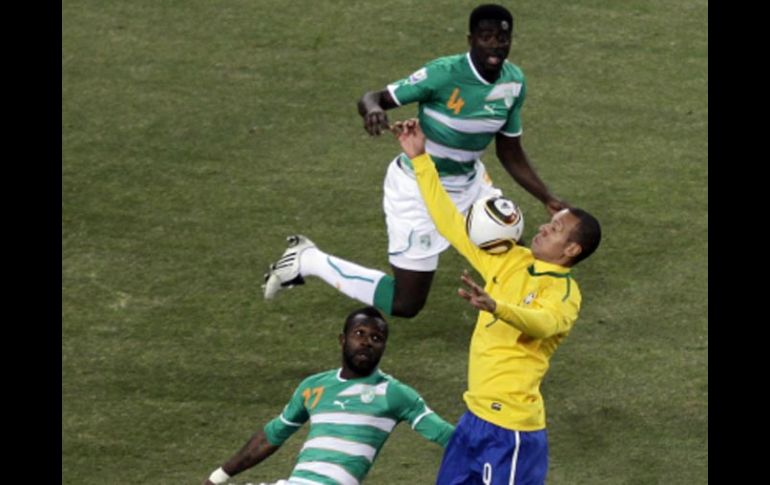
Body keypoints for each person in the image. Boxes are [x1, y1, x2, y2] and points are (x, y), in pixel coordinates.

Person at [263, 4, 566, 319]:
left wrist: (547, 197)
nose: (495, 45)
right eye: (486, 37)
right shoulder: (443, 74)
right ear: (470, 39)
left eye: (502, 38)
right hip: (416, 191)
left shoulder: (514, 82)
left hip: (471, 186)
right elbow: (373, 97)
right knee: (406, 303)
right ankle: (308, 259)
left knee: (505, 242)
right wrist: (373, 111)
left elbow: (509, 150)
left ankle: (519, 316)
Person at [393, 119, 601, 484]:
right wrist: (420, 159)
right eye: (548, 223)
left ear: (571, 249)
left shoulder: (564, 294)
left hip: (513, 431)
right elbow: (451, 226)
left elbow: (543, 323)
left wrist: (497, 308)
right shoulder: (511, 259)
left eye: (555, 230)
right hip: (474, 418)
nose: (542, 228)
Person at [202, 306, 454, 485]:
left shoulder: (393, 394)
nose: (367, 342)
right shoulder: (313, 387)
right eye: (359, 334)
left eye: (376, 338)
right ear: (342, 340)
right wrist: (218, 477)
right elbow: (270, 437)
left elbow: (449, 436)